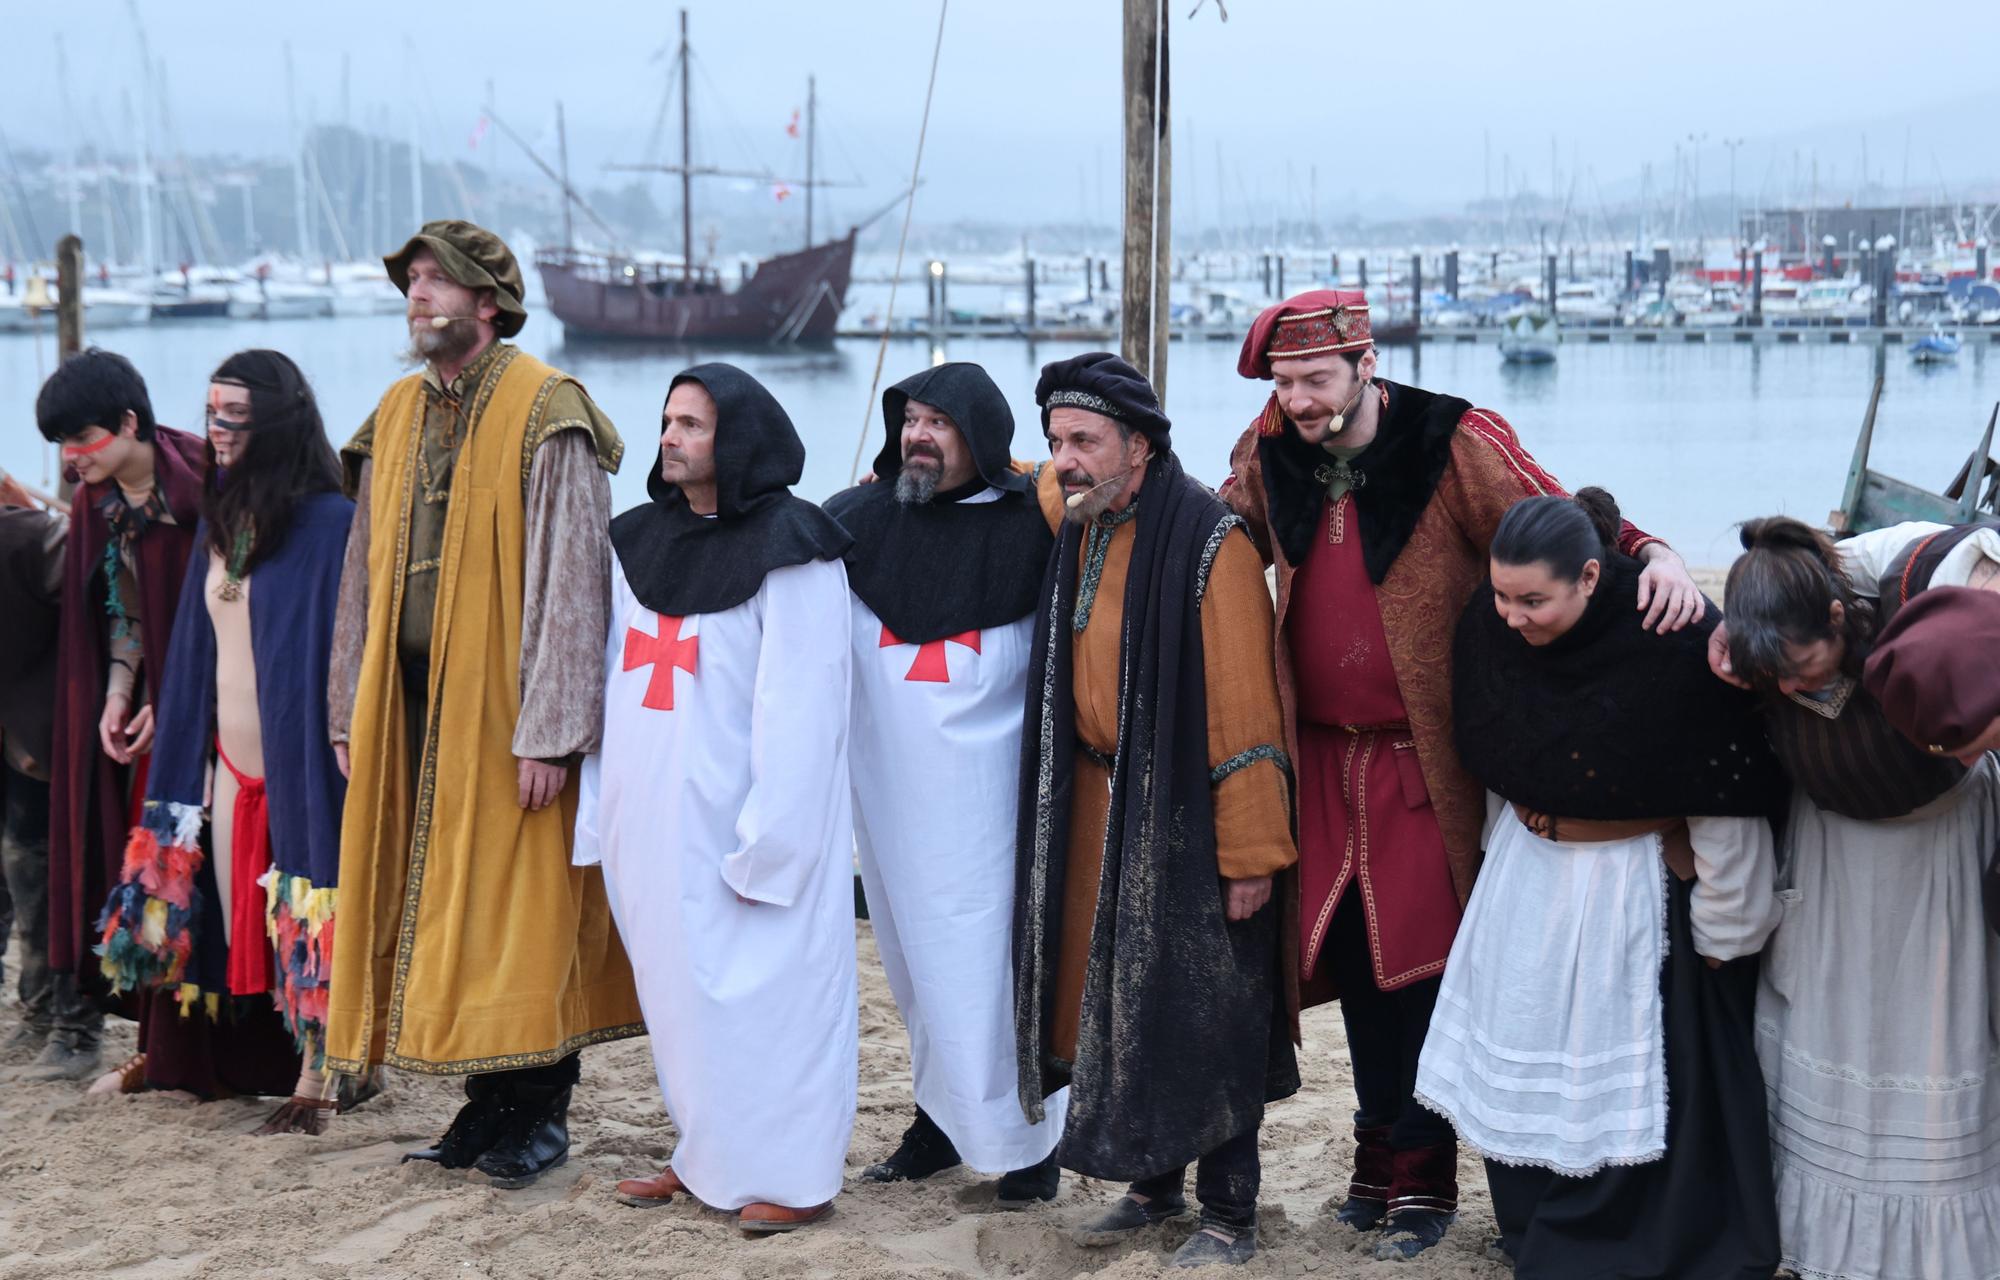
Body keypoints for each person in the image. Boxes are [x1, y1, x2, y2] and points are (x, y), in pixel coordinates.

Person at [1219, 290, 1703, 1258]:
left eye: (1314, 379)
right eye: (1283, 382)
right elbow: (1213, 531)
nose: (1299, 400)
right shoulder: (1269, 445)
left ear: (1363, 362)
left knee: (1426, 969)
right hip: (1315, 752)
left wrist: (1654, 550)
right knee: (1352, 959)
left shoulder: (1452, 437)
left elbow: (1554, 517)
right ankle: (1369, 1160)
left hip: (1422, 758)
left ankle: (1423, 1177)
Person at [325, 221, 642, 1188]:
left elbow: (571, 585)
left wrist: (550, 732)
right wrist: (350, 707)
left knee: (523, 910)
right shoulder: (393, 413)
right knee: (442, 905)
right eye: (412, 281)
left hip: (509, 718)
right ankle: (481, 1109)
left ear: (488, 302)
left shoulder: (551, 410)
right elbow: (361, 576)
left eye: (436, 282)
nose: (418, 295)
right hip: (412, 714)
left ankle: (539, 1113)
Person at [1414, 489, 1783, 1277]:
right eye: (1503, 595)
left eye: (1534, 601)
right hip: (1526, 875)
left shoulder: (1676, 644)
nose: (1511, 616)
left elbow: (1728, 802)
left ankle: (1619, 1229)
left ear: (1589, 576)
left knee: (1625, 1068)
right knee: (1521, 1037)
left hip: (1631, 887)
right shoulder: (1491, 624)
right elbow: (1495, 763)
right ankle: (1527, 1215)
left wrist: (1726, 933)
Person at [1013, 353, 1298, 1268]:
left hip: (1185, 814)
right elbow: (1023, 479)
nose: (1065, 459)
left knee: (1204, 1005)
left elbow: (1248, 716)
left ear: (1140, 445)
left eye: (1084, 441)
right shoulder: (1084, 514)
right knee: (1118, 996)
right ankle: (1153, 1184)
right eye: (1056, 440)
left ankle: (1228, 1211)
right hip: (1098, 805)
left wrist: (1250, 853)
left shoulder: (1214, 546)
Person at [581, 364, 857, 1233]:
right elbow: (613, 686)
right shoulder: (637, 542)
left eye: (692, 425)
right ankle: (705, 1156)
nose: (669, 437)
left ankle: (797, 1176)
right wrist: (605, 809)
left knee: (773, 1001)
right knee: (682, 998)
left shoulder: (796, 550)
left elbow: (805, 708)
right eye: (667, 420)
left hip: (748, 824)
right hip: (650, 816)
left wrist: (772, 838)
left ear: (734, 438)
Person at [1713, 517, 2000, 1279]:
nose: (1790, 685)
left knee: (1933, 1037)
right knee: (1834, 1026)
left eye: (1804, 665)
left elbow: (1960, 551)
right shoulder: (1771, 626)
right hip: (1834, 860)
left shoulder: (1905, 577)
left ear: (1839, 617)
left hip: (1939, 859)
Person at [824, 364, 1066, 1204]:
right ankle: (937, 1125)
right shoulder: (853, 522)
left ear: (983, 436)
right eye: (911, 420)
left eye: (940, 422)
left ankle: (1029, 1146)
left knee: (988, 965)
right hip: (885, 795)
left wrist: (1038, 478)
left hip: (987, 796)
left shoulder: (1036, 528)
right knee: (916, 968)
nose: (918, 436)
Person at [95, 351, 356, 1131]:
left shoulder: (332, 524)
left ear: (275, 423)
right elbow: (200, 647)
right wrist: (169, 721)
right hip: (224, 760)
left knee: (310, 913)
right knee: (225, 915)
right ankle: (202, 1062)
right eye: (211, 415)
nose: (218, 432)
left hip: (301, 761)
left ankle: (321, 1070)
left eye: (235, 418)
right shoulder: (221, 515)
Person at [34, 349, 209, 1088]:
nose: (73, 460)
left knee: (219, 872)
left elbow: (225, 619)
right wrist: (117, 693)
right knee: (144, 868)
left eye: (83, 440)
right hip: (149, 709)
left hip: (222, 713)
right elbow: (121, 608)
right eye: (63, 448)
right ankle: (159, 1044)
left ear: (130, 423)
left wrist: (176, 708)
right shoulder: (94, 500)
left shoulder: (205, 486)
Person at [0, 475, 84, 1066]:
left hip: (37, 736)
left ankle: (69, 1026)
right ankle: (33, 1019)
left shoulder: (30, 538)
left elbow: (105, 585)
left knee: (40, 874)